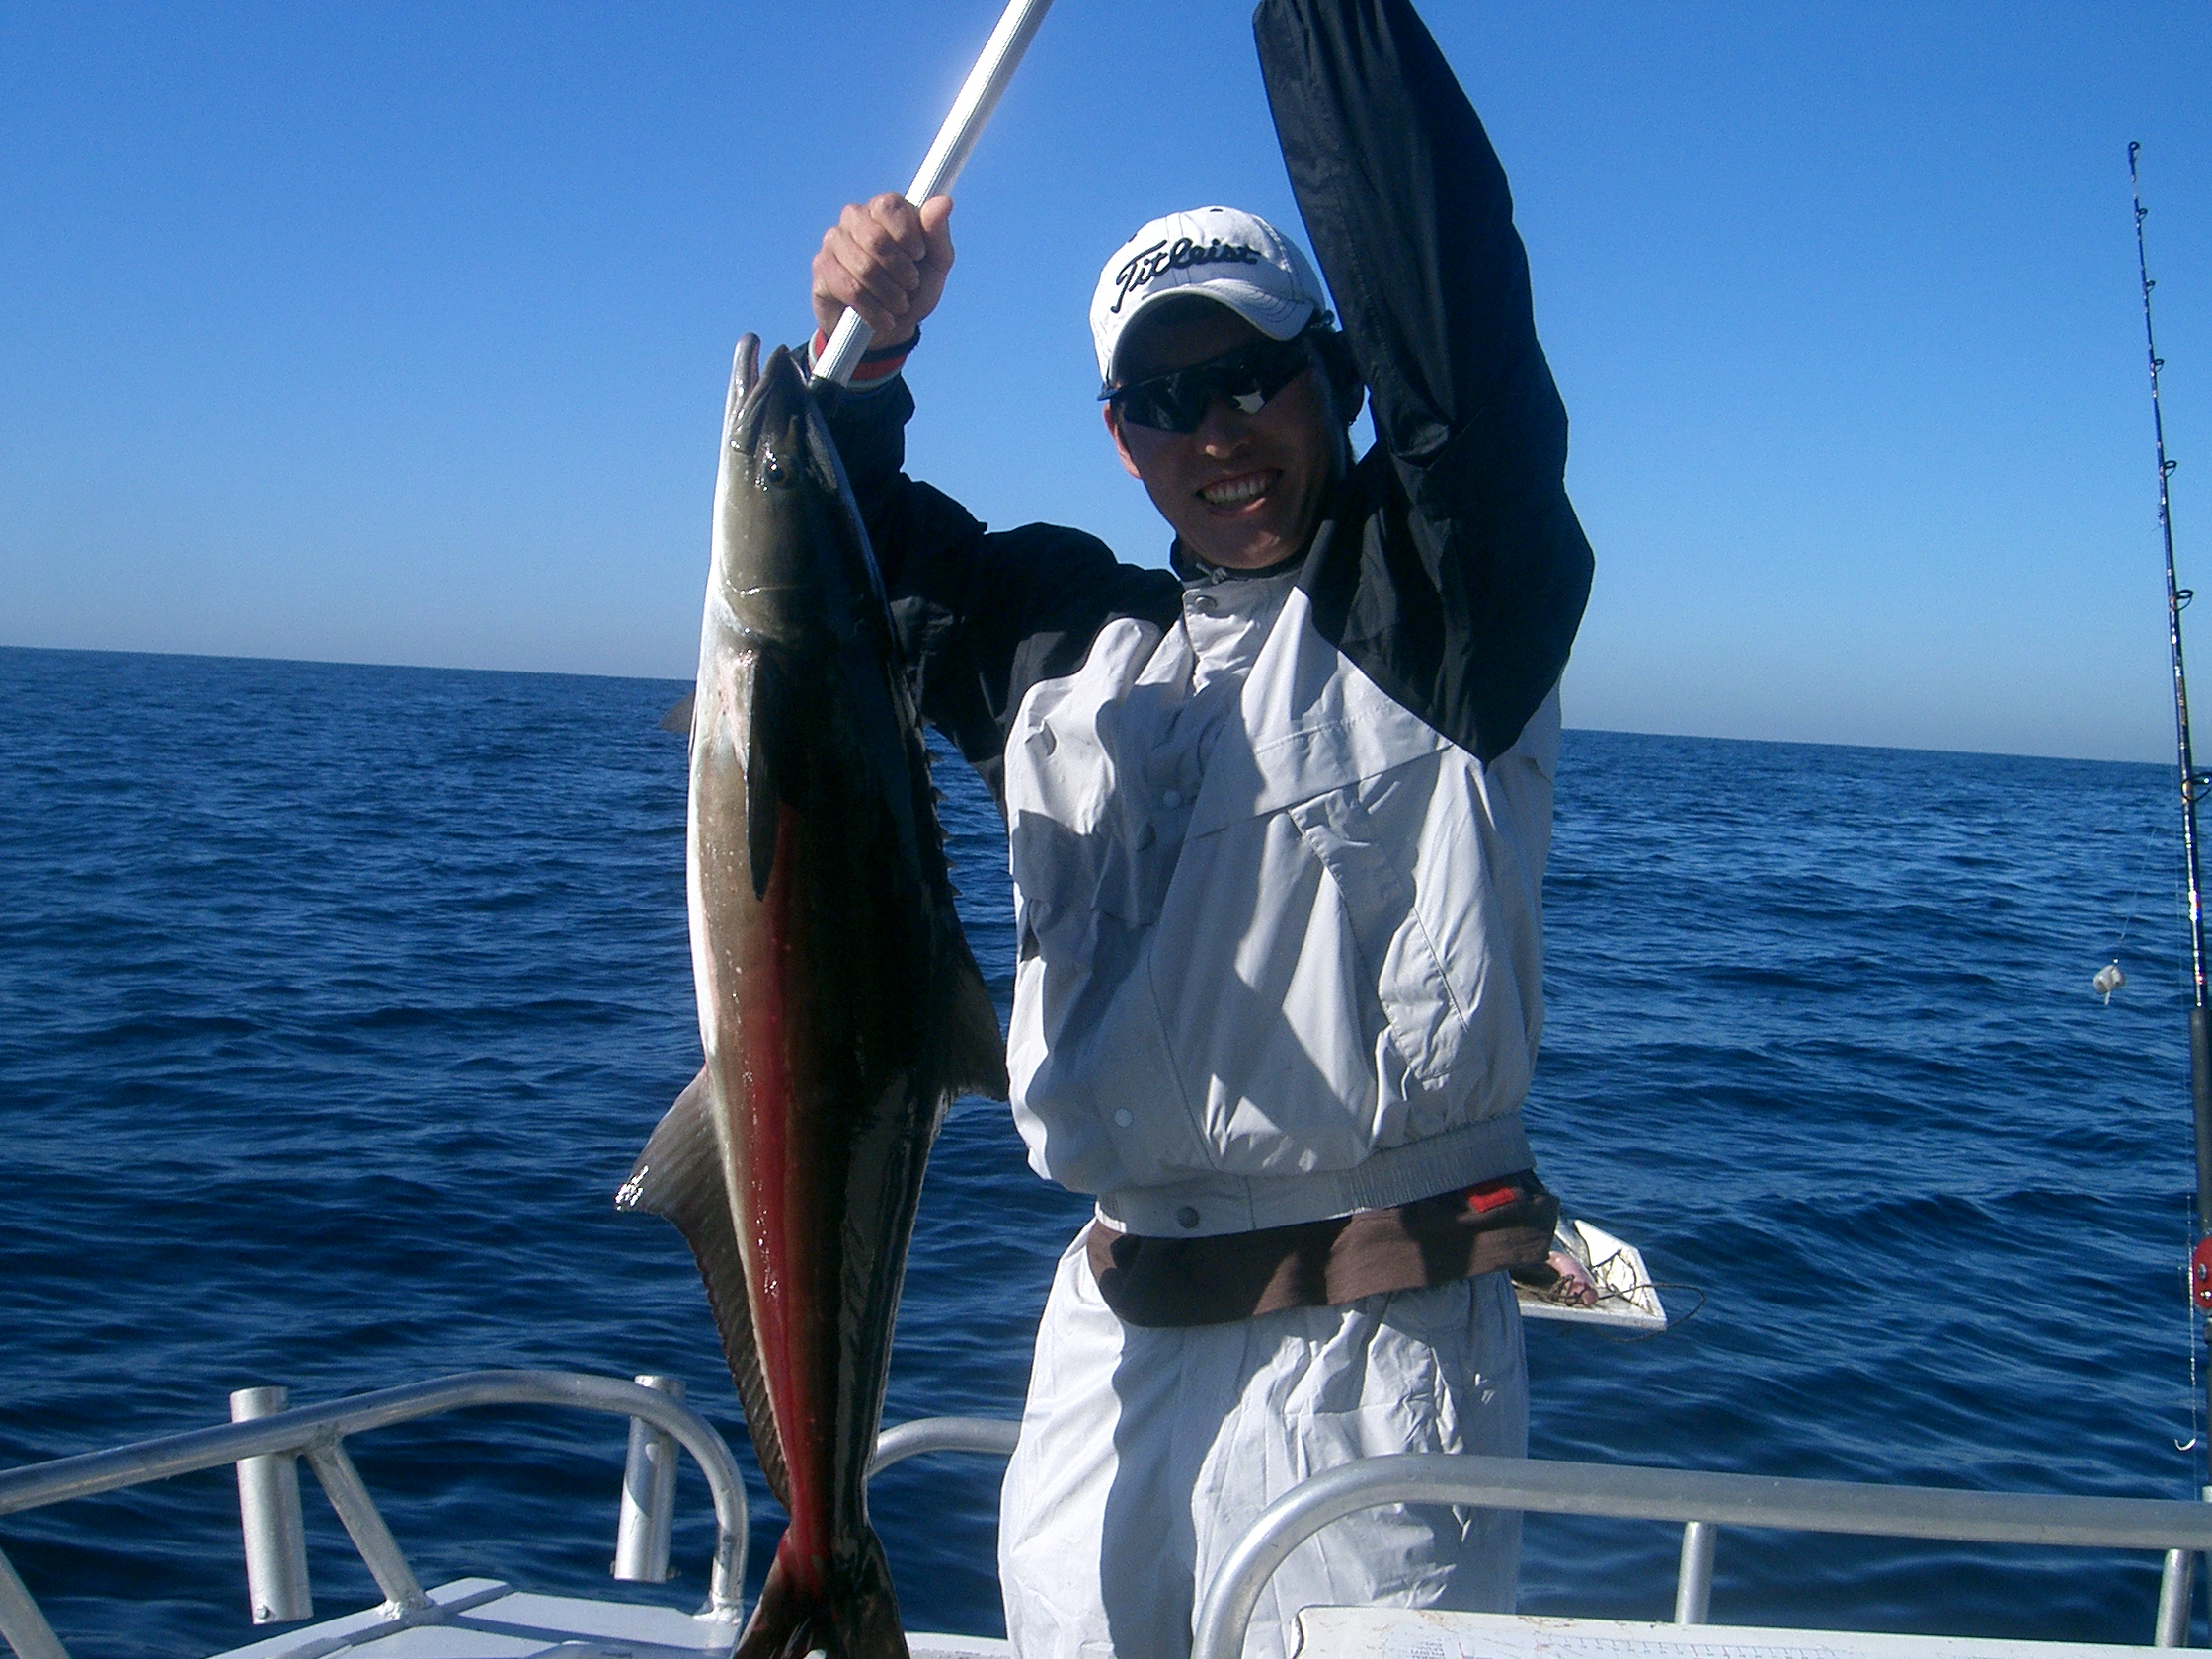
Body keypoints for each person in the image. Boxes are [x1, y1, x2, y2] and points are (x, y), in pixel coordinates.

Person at [804, 0, 1593, 1653]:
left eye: (1251, 375)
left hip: (1373, 1385)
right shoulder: (1065, 649)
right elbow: (834, 555)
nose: (1217, 430)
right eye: (1166, 398)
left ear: (1342, 379)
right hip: (1104, 1364)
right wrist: (864, 352)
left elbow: (1445, 271)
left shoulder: (1448, 597)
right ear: (1120, 438)